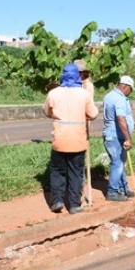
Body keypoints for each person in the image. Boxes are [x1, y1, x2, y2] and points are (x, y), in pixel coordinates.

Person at [43, 63, 98, 214]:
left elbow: (47, 112)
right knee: (76, 173)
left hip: (59, 140)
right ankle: (74, 204)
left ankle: (57, 201)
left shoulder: (53, 93)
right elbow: (93, 114)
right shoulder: (84, 94)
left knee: (57, 172)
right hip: (78, 141)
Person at [102, 75, 135, 201]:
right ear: (125, 86)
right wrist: (128, 138)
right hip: (115, 136)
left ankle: (123, 189)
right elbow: (120, 119)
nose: (130, 92)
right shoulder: (120, 99)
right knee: (117, 163)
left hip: (112, 135)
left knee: (120, 163)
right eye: (130, 89)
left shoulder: (109, 96)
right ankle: (112, 192)